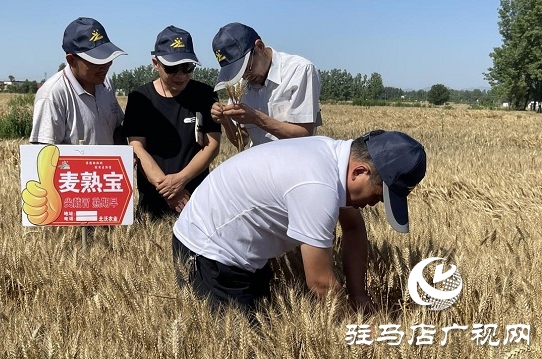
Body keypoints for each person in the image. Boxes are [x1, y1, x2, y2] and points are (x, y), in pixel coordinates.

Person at [172, 130, 427, 314]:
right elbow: (320, 283)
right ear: (360, 171)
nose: (376, 204)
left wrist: (358, 294)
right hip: (208, 252)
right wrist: (358, 329)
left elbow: (354, 227)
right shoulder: (317, 186)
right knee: (242, 347)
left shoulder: (335, 157)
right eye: (379, 195)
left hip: (244, 251)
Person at [123, 26, 222, 218]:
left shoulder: (205, 94)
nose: (181, 75)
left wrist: (181, 180)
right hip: (152, 203)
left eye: (187, 67)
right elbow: (137, 147)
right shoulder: (139, 98)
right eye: (172, 68)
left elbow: (213, 145)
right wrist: (169, 189)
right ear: (155, 63)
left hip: (195, 199)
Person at [210, 22, 322, 148]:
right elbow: (241, 140)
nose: (245, 76)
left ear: (260, 47)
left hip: (294, 163)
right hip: (260, 164)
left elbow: (304, 134)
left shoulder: (299, 71)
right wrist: (226, 122)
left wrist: (256, 118)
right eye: (237, 72)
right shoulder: (240, 84)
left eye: (246, 67)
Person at [30, 17, 127, 145]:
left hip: (106, 166)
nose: (105, 65)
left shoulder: (106, 83)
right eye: (96, 61)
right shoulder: (53, 94)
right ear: (71, 60)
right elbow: (44, 154)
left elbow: (116, 128)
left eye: (107, 58)